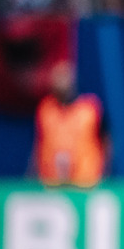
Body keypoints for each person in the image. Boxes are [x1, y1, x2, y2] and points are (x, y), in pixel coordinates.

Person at [32, 59, 108, 188]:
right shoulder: (46, 109)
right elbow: (39, 143)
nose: (60, 84)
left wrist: (104, 171)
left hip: (85, 183)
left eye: (64, 78)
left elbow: (106, 140)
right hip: (52, 183)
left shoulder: (90, 109)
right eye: (57, 79)